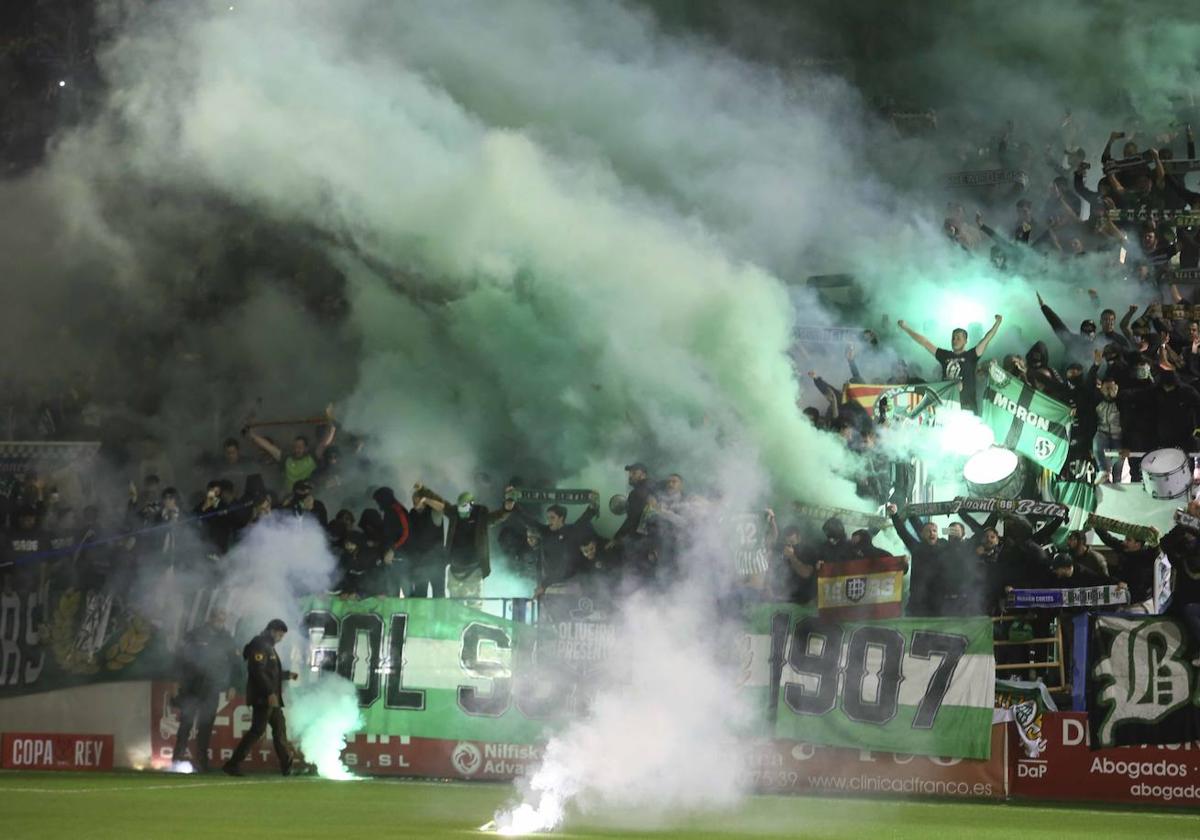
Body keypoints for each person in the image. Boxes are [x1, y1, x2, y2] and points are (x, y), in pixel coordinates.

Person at [223, 619, 298, 777]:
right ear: (272, 630)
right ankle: (233, 764)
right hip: (264, 697)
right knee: (258, 731)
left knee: (279, 729)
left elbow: (269, 672)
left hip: (270, 697)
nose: (281, 638)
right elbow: (258, 671)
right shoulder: (260, 645)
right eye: (280, 634)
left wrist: (286, 675)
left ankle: (287, 765)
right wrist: (270, 693)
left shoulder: (267, 646)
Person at [418, 486, 515, 600]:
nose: (461, 510)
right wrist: (423, 490)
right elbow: (441, 504)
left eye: (464, 506)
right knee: (455, 606)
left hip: (473, 571)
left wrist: (507, 509)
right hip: (455, 570)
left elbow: (498, 516)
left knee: (473, 606)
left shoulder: (480, 517)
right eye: (460, 506)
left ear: (471, 505)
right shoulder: (454, 513)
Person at [171, 609, 237, 772]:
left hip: (212, 688)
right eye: (218, 616)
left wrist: (233, 685)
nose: (220, 620)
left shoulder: (227, 638)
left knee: (206, 726)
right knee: (186, 724)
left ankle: (202, 762)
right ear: (211, 617)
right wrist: (175, 681)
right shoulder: (195, 634)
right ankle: (177, 760)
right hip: (191, 686)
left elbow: (235, 663)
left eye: (223, 617)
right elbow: (180, 658)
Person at [896, 315, 1003, 410]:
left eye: (958, 338)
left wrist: (997, 323)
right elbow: (924, 342)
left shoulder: (971, 355)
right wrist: (906, 328)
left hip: (966, 407)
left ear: (965, 341)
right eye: (953, 338)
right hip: (947, 405)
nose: (954, 340)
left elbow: (986, 339)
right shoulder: (944, 355)